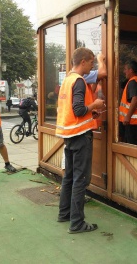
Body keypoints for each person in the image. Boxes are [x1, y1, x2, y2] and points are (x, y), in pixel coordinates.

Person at [56, 47, 105, 234]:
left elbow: (72, 110)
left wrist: (90, 111)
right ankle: (77, 223)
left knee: (69, 176)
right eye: (92, 62)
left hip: (69, 135)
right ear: (83, 62)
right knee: (80, 179)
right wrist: (95, 105)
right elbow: (78, 109)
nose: (92, 66)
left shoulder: (67, 80)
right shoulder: (78, 81)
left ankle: (65, 213)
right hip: (80, 136)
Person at [119, 60, 137, 145]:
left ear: (130, 70)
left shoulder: (133, 82)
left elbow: (135, 99)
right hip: (133, 120)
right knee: (131, 142)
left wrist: (127, 116)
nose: (124, 72)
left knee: (132, 144)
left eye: (125, 69)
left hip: (131, 120)